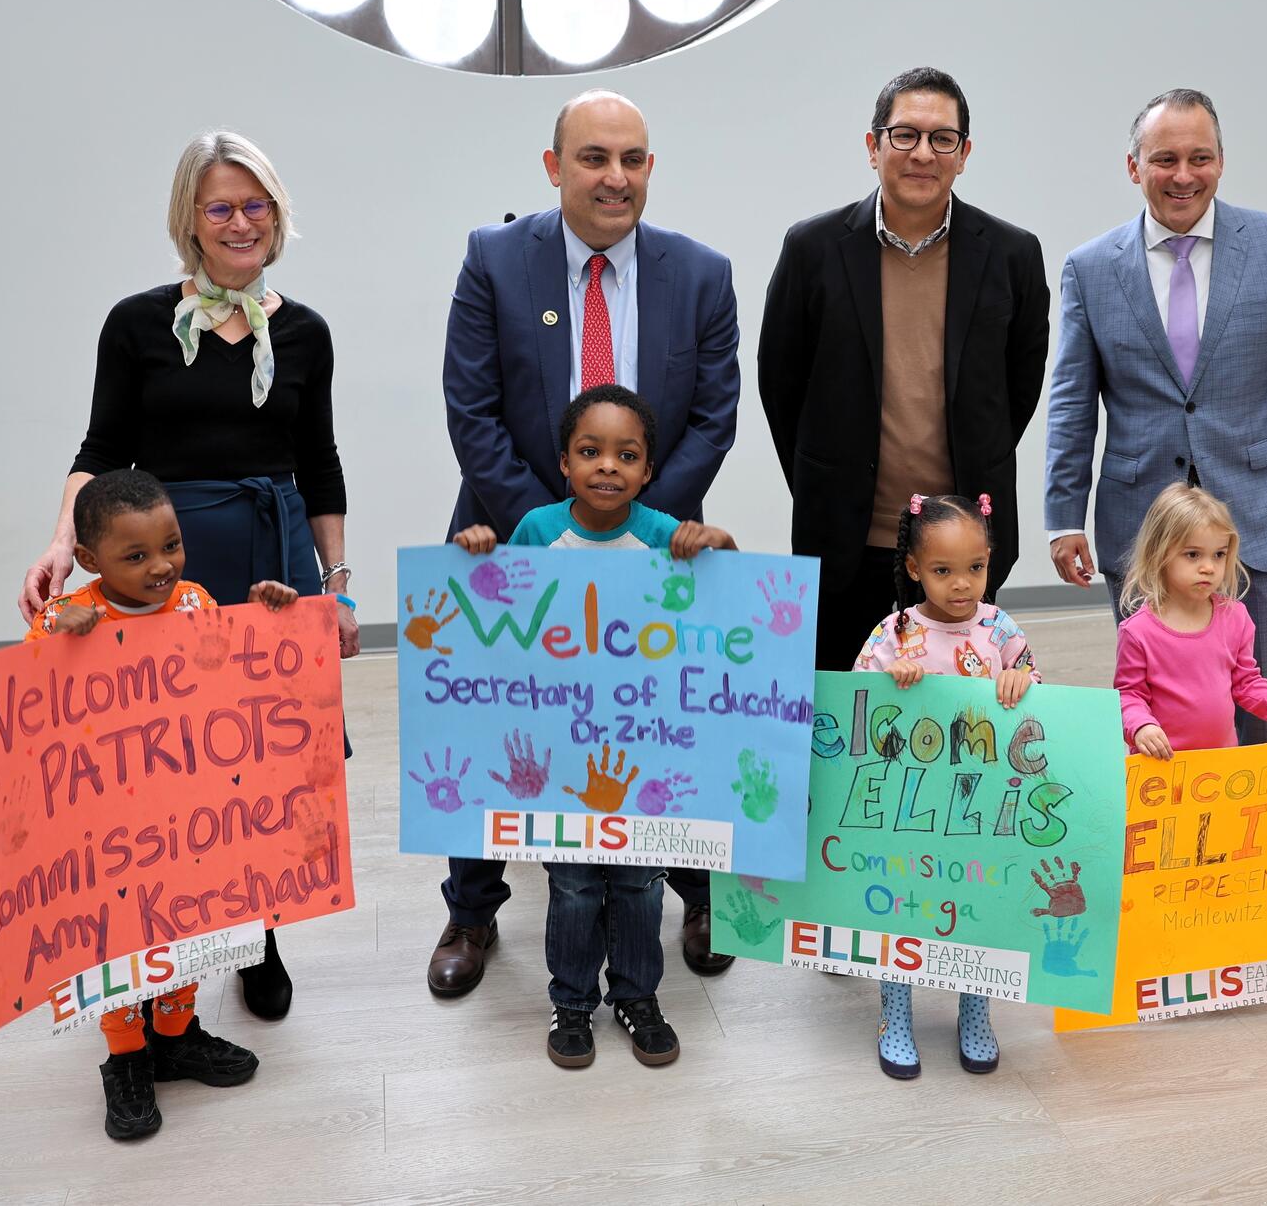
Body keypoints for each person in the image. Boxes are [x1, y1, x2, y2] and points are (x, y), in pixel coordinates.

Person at [18, 131, 357, 1020]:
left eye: (257, 204)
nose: (241, 222)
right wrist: (63, 543)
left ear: (276, 215)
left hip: (275, 557)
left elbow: (318, 461)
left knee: (262, 761)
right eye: (221, 206)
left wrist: (336, 583)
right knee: (174, 766)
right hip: (164, 565)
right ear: (190, 220)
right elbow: (100, 450)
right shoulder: (136, 324)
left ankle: (258, 935)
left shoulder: (307, 332)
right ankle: (160, 948)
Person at [435, 90, 741, 994]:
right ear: (553, 165)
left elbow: (714, 419)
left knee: (668, 722)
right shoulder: (493, 259)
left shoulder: (703, 272)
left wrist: (635, 525)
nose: (615, 177)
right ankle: (470, 909)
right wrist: (551, 532)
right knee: (498, 726)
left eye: (633, 159)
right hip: (510, 534)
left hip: (658, 546)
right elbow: (472, 408)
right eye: (594, 157)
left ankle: (695, 889)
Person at [1044, 89, 1267, 745]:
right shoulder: (1090, 268)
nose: (1184, 175)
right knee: (1158, 714)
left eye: (1200, 157)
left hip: (1262, 518)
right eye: (1165, 159)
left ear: (1221, 162)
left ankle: (1261, 847)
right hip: (1141, 528)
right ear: (1134, 167)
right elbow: (1071, 400)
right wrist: (1064, 515)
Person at [453, 386, 736, 1067]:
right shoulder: (539, 532)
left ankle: (638, 996)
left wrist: (719, 541)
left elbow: (732, 593)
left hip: (644, 755)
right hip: (563, 755)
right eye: (591, 451)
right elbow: (500, 613)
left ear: (647, 470)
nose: (607, 466)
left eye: (626, 455)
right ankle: (572, 1000)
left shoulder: (665, 533)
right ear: (564, 463)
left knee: (641, 882)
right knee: (574, 883)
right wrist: (477, 553)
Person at [26, 470, 299, 1139]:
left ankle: (175, 1032)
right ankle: (125, 1057)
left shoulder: (196, 602)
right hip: (109, 834)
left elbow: (233, 679)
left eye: (171, 545)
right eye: (137, 555)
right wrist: (62, 633)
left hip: (187, 819)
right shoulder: (65, 620)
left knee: (187, 933)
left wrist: (268, 623)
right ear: (89, 561)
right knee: (121, 948)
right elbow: (29, 709)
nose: (161, 566)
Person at [760, 66, 1049, 673]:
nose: (924, 153)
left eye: (943, 139)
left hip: (959, 553)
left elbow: (1017, 390)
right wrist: (828, 480)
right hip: (845, 542)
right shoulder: (812, 249)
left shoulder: (1013, 254)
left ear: (965, 153)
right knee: (845, 731)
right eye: (905, 135)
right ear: (873, 146)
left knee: (961, 739)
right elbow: (781, 385)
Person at [853, 492, 1038, 1078]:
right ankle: (896, 1012)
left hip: (978, 807)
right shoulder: (895, 631)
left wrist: (1019, 677)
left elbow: (1035, 677)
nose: (962, 584)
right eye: (942, 570)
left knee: (974, 905)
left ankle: (975, 1010)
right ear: (913, 569)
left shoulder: (999, 626)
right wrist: (891, 678)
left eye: (975, 568)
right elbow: (855, 702)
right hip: (911, 809)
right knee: (904, 908)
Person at [1115, 483, 1267, 759]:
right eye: (1193, 554)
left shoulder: (1235, 618)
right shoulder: (1138, 631)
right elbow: (1129, 695)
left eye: (1219, 554)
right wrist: (1141, 726)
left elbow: (1247, 683)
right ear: (1159, 555)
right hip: (1161, 767)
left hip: (1221, 764)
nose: (1209, 567)